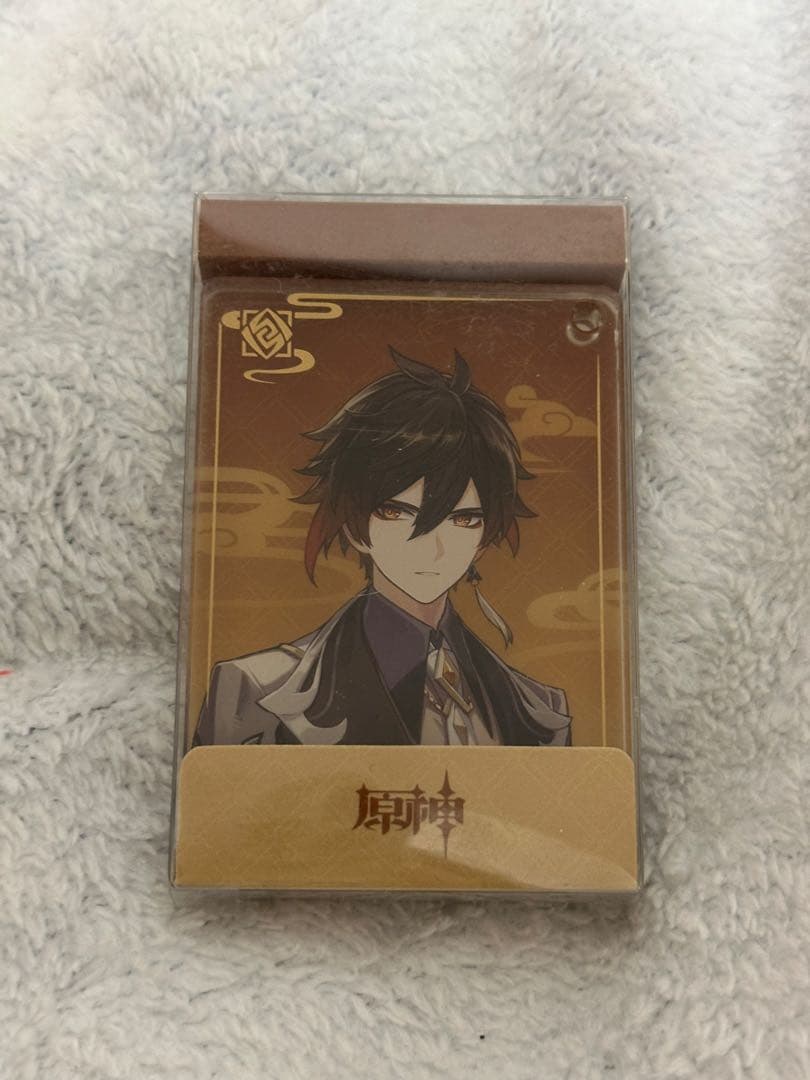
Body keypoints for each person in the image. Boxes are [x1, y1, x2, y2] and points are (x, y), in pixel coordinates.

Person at [193, 348, 572, 747]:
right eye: (398, 513)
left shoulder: (540, 710)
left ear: (483, 539)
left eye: (464, 520)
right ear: (356, 525)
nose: (435, 548)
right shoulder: (257, 689)